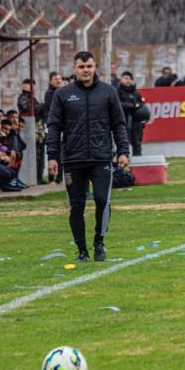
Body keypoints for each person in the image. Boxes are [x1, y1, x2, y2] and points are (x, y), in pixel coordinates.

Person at [47, 51, 130, 262]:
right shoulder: (63, 94)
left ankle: (99, 242)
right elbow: (54, 127)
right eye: (82, 67)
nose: (86, 70)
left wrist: (123, 151)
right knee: (77, 206)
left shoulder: (108, 92)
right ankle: (82, 250)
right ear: (74, 68)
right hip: (73, 160)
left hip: (101, 157)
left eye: (89, 66)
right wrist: (52, 156)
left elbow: (118, 124)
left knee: (103, 199)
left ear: (95, 67)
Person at [17, 78, 46, 184]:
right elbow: (26, 109)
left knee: (39, 155)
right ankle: (34, 178)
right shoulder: (23, 98)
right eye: (30, 85)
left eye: (33, 85)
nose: (32, 87)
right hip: (30, 130)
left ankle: (38, 177)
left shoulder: (32, 98)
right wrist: (40, 106)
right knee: (33, 155)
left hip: (37, 128)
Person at [117, 71, 149, 156]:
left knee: (137, 142)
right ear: (121, 79)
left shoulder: (135, 91)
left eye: (130, 79)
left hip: (136, 121)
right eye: (126, 78)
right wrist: (132, 105)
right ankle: (121, 164)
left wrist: (139, 107)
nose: (128, 80)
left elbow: (141, 101)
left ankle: (137, 162)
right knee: (124, 143)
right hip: (124, 119)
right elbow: (118, 104)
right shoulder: (117, 91)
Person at [44, 72, 63, 183]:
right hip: (52, 127)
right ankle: (52, 177)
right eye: (56, 79)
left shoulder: (62, 92)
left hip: (60, 127)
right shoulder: (50, 94)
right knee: (53, 152)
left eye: (60, 78)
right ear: (51, 81)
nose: (58, 81)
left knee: (60, 153)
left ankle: (59, 177)